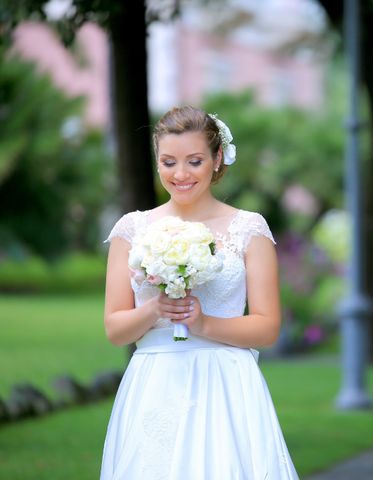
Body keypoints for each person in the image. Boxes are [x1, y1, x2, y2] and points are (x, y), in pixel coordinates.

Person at [100, 105, 299, 479]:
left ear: (217, 158)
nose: (180, 174)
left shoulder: (248, 229)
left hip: (226, 382)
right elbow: (115, 329)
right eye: (168, 162)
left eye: (194, 161)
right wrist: (156, 308)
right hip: (156, 381)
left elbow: (267, 328)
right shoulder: (133, 229)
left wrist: (203, 323)